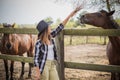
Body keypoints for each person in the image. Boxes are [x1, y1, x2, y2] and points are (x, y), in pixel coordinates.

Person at [34, 6, 82, 80]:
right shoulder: (39, 43)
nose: (51, 27)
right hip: (44, 65)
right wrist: (37, 73)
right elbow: (36, 59)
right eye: (49, 26)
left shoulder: (51, 37)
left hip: (52, 64)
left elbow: (61, 26)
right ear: (46, 29)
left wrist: (71, 14)